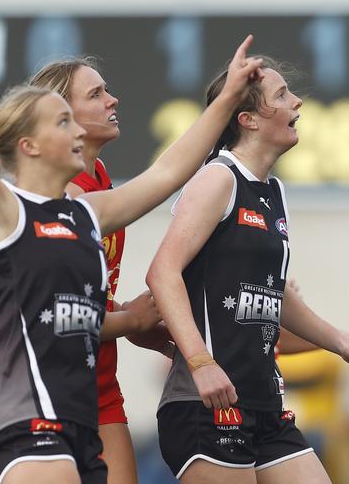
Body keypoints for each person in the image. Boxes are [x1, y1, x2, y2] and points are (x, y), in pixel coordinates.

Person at [0, 0, 262, 482]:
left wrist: (230, 96)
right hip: (25, 417)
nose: (102, 109)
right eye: (64, 119)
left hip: (91, 405)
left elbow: (169, 172)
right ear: (27, 144)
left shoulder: (88, 212)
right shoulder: (2, 210)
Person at [146, 56, 349, 483]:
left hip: (266, 406)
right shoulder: (217, 179)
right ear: (248, 119)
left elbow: (274, 295)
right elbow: (162, 272)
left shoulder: (273, 191)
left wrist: (340, 341)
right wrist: (201, 364)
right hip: (208, 405)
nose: (297, 102)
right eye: (281, 95)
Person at [28, 57, 169, 484]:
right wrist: (130, 320)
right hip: (51, 393)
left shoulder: (101, 177)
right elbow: (59, 316)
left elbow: (94, 300)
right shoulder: (63, 200)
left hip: (102, 387)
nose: (113, 99)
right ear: (62, 117)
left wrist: (150, 325)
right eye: (96, 94)